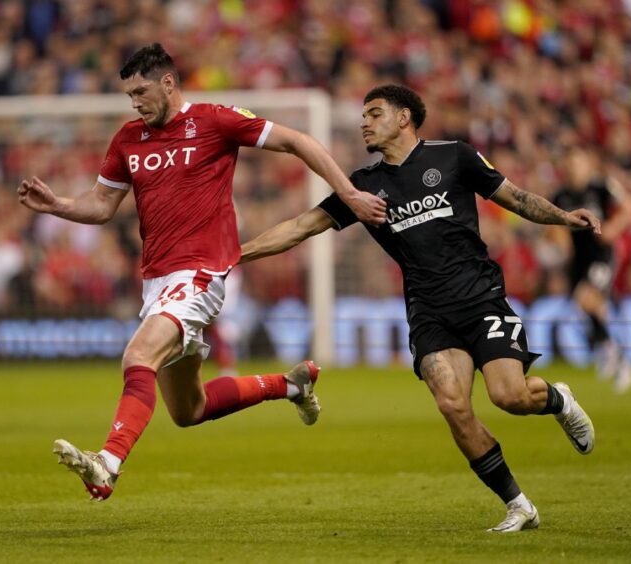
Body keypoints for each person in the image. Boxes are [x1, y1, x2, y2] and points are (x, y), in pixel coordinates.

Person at [17, 43, 386, 501]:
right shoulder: (128, 139)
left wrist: (348, 193)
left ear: (168, 83)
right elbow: (100, 205)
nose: (134, 102)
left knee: (137, 357)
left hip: (200, 275)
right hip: (157, 282)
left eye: (141, 91)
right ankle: (291, 384)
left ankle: (107, 462)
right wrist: (57, 206)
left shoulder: (215, 121)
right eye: (129, 95)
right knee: (189, 409)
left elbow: (299, 141)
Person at [239, 84, 600, 533]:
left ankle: (559, 399)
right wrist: (236, 254)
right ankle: (519, 505)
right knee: (452, 403)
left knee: (509, 396)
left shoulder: (455, 156)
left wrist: (564, 217)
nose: (364, 122)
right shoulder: (364, 188)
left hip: (481, 297)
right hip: (428, 312)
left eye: (374, 113)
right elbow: (299, 227)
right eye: (363, 115)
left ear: (404, 117)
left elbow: (517, 197)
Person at [551, 148, 631, 393]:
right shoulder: (561, 195)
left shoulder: (602, 187)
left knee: (586, 299)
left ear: (587, 165)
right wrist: (559, 241)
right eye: (568, 165)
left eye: (577, 164)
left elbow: (629, 207)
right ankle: (610, 352)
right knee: (586, 306)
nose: (573, 169)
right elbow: (551, 224)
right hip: (578, 260)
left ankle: (619, 358)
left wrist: (613, 227)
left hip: (602, 255)